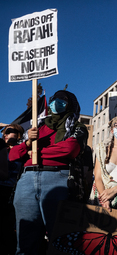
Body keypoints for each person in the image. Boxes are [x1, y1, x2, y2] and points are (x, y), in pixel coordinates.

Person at [9, 90, 88, 255]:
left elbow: (69, 149)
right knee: (26, 240)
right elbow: (13, 155)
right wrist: (29, 142)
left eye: (63, 99)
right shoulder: (37, 127)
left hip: (58, 178)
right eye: (54, 99)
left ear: (71, 104)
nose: (56, 102)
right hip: (27, 180)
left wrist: (34, 153)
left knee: (59, 239)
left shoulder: (76, 127)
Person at [0, 124, 24, 255]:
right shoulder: (0, 148)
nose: (5, 134)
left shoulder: (23, 151)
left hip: (12, 192)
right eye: (4, 132)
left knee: (7, 228)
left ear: (19, 136)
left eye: (9, 132)